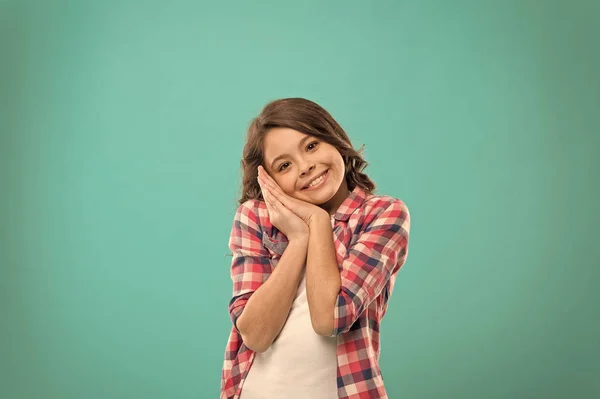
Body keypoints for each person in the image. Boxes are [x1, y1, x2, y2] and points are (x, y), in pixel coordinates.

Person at [220, 98, 411, 399]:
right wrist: (298, 240)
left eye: (311, 146)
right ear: (270, 180)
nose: (306, 166)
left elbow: (330, 319)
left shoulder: (382, 214)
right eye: (284, 165)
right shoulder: (256, 218)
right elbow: (255, 335)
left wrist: (317, 221)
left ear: (333, 138)